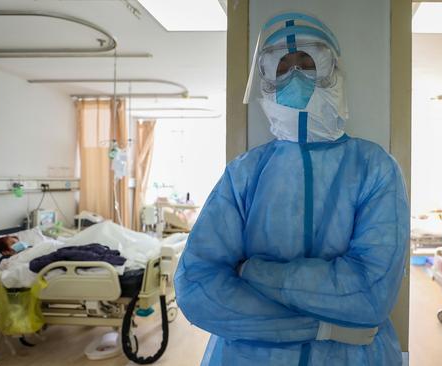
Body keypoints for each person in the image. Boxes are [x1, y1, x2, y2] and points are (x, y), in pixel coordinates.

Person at [175, 12, 409, 366]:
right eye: (283, 67)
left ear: (332, 69)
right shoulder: (245, 173)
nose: (296, 76)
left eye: (308, 62)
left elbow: (369, 293)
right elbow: (196, 287)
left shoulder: (374, 167)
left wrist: (250, 271)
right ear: (267, 79)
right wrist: (321, 328)